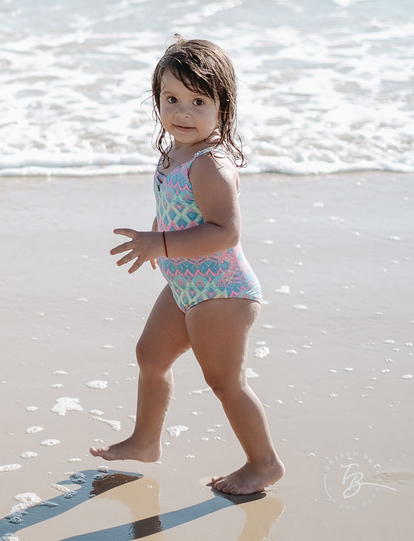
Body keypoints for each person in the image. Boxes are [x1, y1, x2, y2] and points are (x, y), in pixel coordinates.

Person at [90, 36, 285, 495]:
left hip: (222, 292)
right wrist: (156, 235)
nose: (182, 112)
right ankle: (145, 440)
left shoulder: (210, 164)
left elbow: (224, 231)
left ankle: (264, 464)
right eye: (171, 98)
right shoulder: (173, 153)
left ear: (224, 106)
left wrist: (159, 243)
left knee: (224, 382)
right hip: (185, 287)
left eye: (199, 101)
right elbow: (177, 208)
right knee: (150, 357)